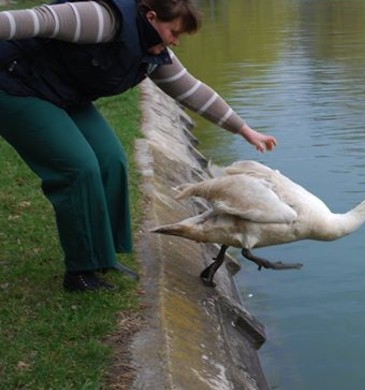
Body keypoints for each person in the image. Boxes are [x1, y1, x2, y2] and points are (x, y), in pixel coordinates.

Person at [0, 0, 278, 292]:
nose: (175, 41)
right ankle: (80, 273)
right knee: (78, 167)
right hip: (15, 85)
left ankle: (102, 255)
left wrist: (243, 129)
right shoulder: (103, 20)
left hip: (63, 92)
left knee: (111, 160)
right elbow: (34, 19)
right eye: (173, 32)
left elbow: (192, 91)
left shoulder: (151, 52)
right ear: (151, 17)